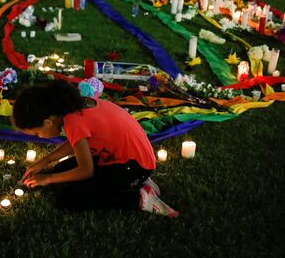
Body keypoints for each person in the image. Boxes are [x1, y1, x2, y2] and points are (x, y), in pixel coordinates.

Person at [12, 80, 178, 217]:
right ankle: (138, 182)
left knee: (69, 199)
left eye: (37, 133)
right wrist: (44, 161)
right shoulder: (74, 107)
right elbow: (75, 143)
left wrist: (46, 179)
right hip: (127, 158)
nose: (39, 137)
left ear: (48, 122)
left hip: (134, 166)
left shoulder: (73, 122)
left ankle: (138, 198)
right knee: (61, 169)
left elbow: (86, 171)